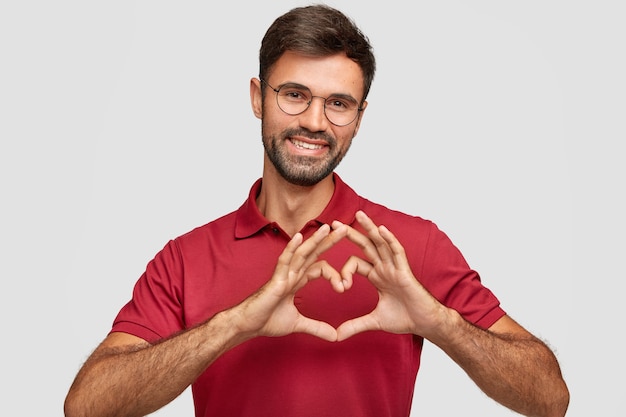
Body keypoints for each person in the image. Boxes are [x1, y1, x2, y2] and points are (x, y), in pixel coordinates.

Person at [64, 5, 569, 417]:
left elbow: (550, 399)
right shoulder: (185, 258)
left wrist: (439, 322)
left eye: (339, 103)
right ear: (258, 98)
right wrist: (235, 324)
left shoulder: (408, 247)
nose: (313, 121)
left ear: (359, 117)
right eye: (294, 95)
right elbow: (86, 406)